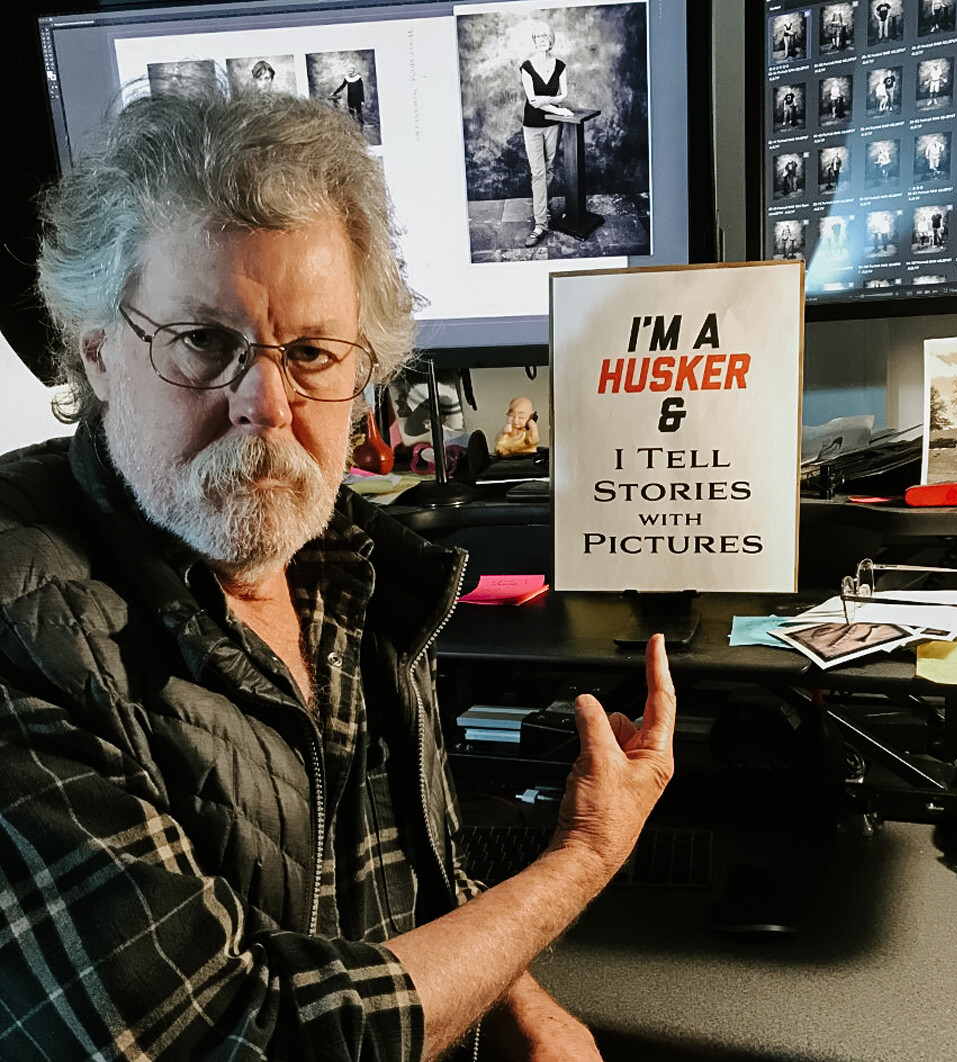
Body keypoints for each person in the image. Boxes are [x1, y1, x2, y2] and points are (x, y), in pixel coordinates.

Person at [0, 87, 677, 1060]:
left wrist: (516, 1002)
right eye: (204, 342)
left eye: (311, 350)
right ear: (98, 351)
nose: (268, 405)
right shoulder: (25, 627)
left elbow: (414, 881)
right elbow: (247, 1038)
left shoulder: (345, 563)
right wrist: (581, 858)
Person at [519, 21, 572, 248]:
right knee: (538, 173)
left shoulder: (560, 65)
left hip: (553, 126)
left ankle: (544, 207)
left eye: (545, 37)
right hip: (532, 125)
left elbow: (564, 94)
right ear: (534, 41)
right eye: (537, 37)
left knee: (548, 169)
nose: (541, 40)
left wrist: (548, 102)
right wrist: (557, 108)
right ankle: (540, 225)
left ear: (550, 40)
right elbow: (532, 101)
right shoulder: (526, 66)